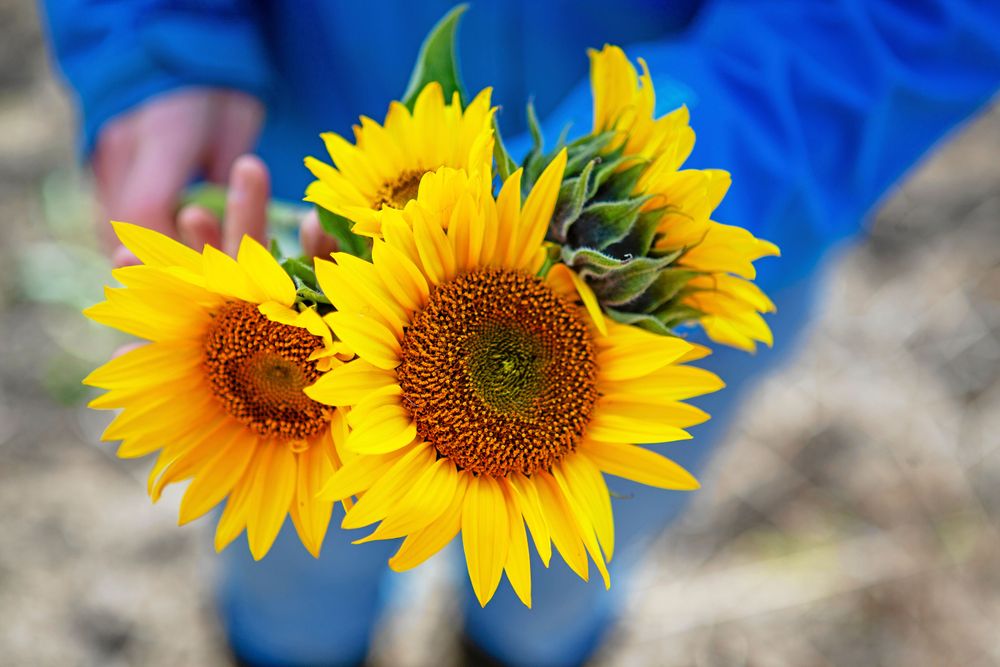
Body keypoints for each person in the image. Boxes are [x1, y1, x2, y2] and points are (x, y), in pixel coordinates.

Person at [40, 1, 1000, 665]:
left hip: (679, 262)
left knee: (557, 589)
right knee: (291, 572)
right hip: (308, 193)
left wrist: (665, 172)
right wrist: (156, 47)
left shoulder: (661, 242)